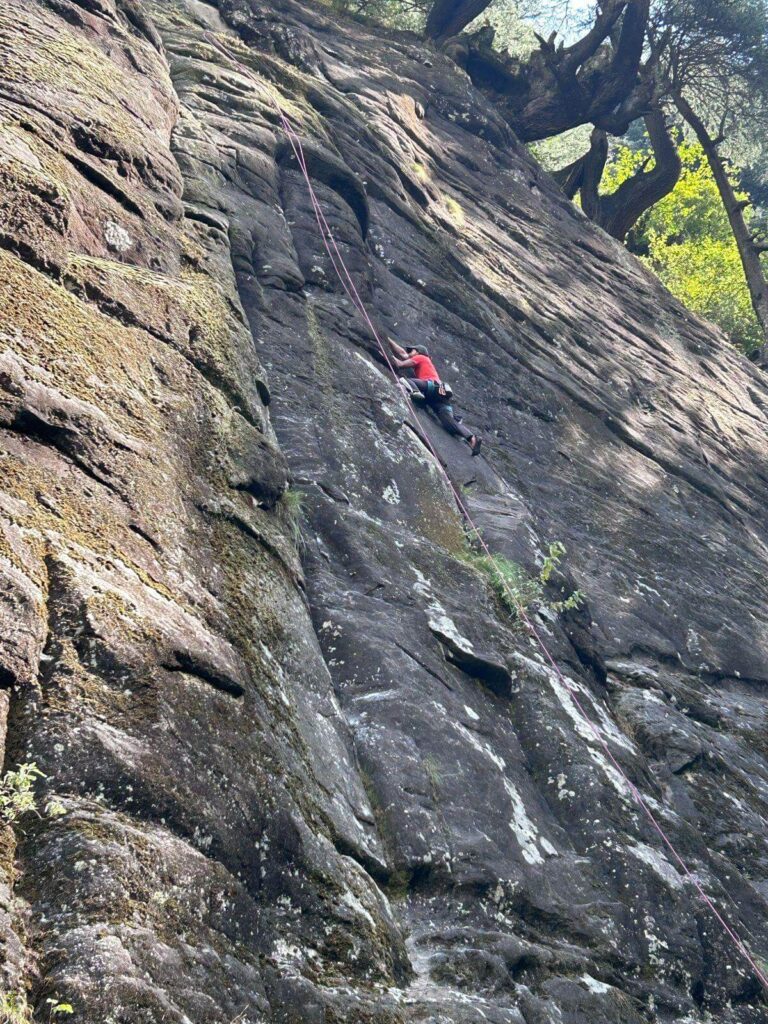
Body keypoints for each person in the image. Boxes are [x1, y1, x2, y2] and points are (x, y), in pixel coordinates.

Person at [386, 338, 482, 455]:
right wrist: (388, 340)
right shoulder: (426, 362)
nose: (409, 353)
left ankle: (415, 392)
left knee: (407, 381)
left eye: (411, 351)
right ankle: (472, 439)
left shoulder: (421, 357)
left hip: (433, 387)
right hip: (441, 395)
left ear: (418, 351)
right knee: (449, 424)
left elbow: (401, 362)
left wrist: (385, 349)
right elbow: (402, 353)